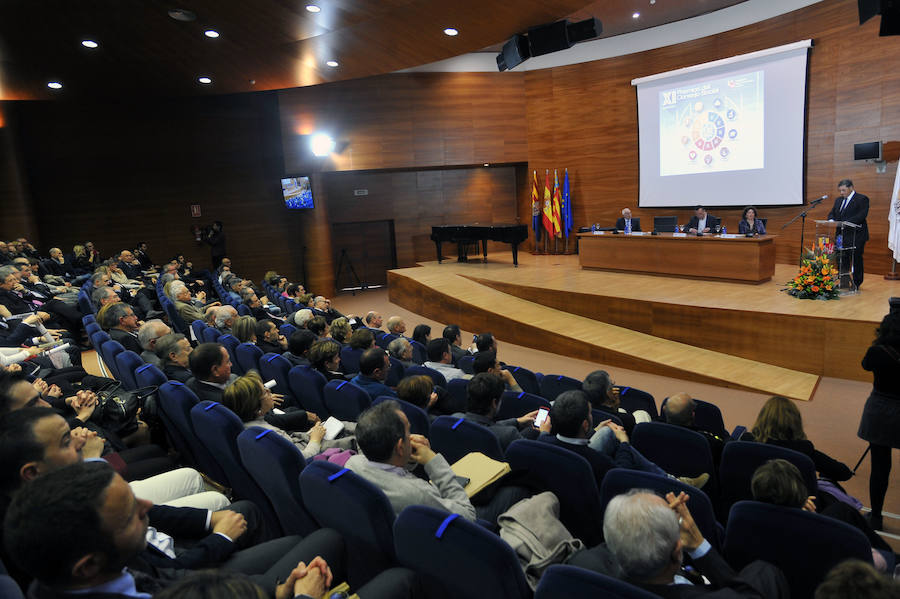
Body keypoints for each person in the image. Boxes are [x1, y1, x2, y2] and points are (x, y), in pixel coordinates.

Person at [4, 461, 347, 598]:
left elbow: (168, 579)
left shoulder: (76, 575)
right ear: (88, 565)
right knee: (332, 543)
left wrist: (278, 592)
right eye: (129, 514)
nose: (148, 507)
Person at [602, 488, 789, 597]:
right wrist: (698, 543)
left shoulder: (590, 572)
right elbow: (740, 590)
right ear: (677, 552)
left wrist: (654, 525)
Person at [750, 458, 893, 572]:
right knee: (843, 510)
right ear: (800, 492)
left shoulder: (743, 518)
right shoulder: (811, 532)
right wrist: (812, 521)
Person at [345, 400, 477, 520]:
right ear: (400, 446)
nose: (413, 436)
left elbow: (388, 466)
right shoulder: (419, 494)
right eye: (408, 431)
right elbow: (469, 516)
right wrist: (433, 461)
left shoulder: (353, 463)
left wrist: (408, 454)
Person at [222, 371, 353, 460]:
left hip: (302, 441)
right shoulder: (271, 433)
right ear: (256, 408)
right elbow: (303, 458)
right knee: (350, 431)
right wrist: (315, 438)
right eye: (265, 392)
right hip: (312, 452)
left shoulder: (246, 424)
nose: (269, 391)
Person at [745, 396, 852, 486]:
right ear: (796, 422)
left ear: (761, 418)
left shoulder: (745, 441)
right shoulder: (803, 449)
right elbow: (844, 473)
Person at [858, 310, 900, 530]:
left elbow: (865, 365)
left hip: (880, 411)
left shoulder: (877, 352)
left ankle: (876, 516)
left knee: (880, 467)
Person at [827, 178, 869, 289]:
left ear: (851, 188)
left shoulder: (862, 199)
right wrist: (831, 220)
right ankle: (844, 282)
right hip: (841, 236)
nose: (841, 193)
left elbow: (861, 215)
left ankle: (856, 283)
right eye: (840, 190)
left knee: (856, 259)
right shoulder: (838, 200)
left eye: (843, 190)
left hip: (856, 235)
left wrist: (846, 223)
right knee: (841, 259)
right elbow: (832, 213)